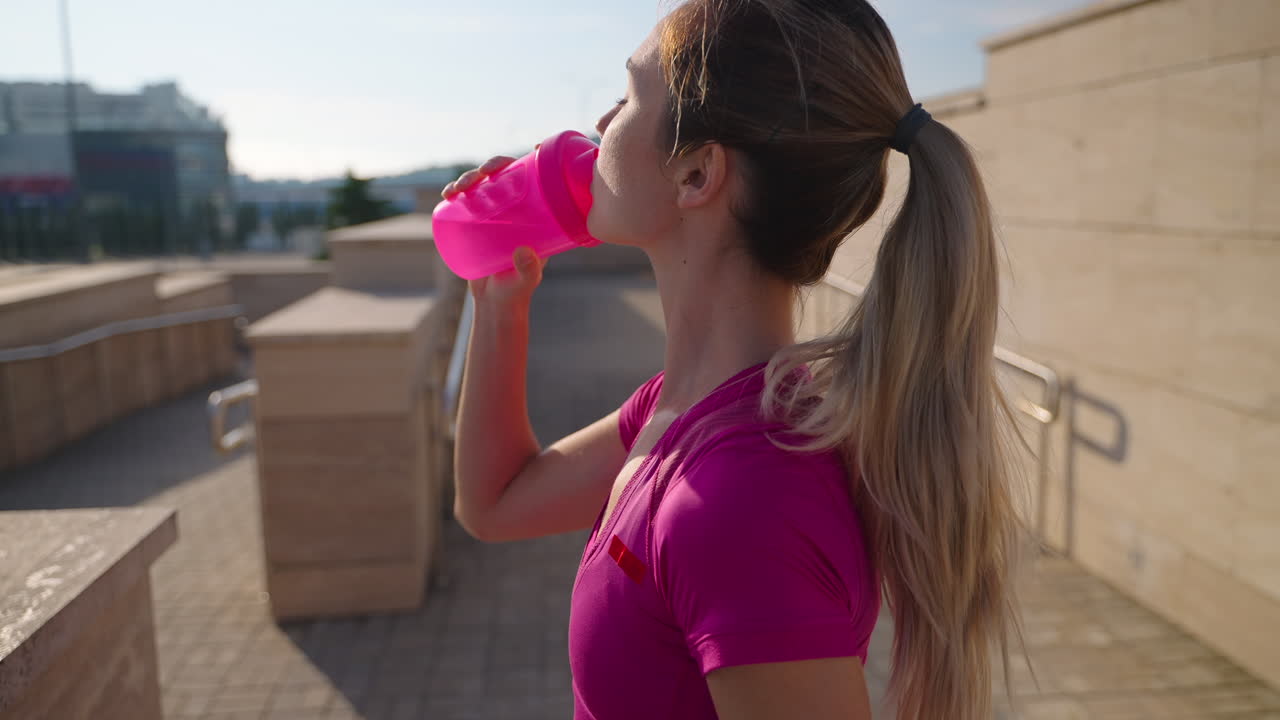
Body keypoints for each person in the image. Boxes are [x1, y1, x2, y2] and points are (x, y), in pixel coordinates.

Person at [446, 1, 1028, 718]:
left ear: (696, 173)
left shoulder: (741, 498)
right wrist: (499, 303)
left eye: (628, 97)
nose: (600, 125)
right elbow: (496, 503)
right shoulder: (679, 412)